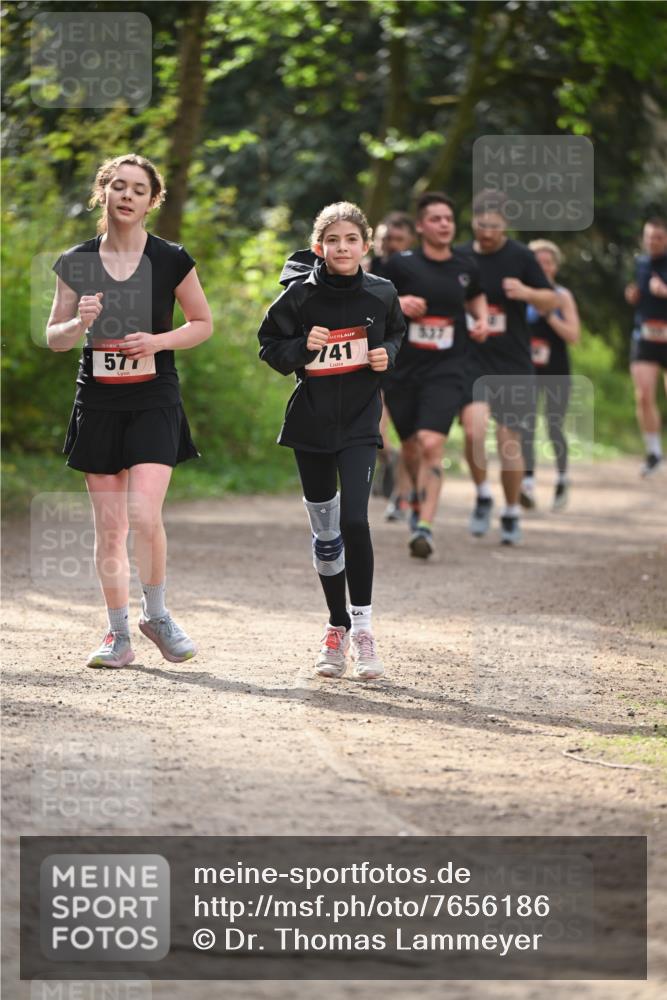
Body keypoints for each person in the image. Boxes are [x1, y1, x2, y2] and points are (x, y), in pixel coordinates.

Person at [46, 153, 213, 668]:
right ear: (103, 192)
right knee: (111, 526)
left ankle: (156, 614)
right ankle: (118, 635)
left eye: (138, 189)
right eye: (118, 186)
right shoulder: (77, 261)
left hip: (153, 395)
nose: (126, 196)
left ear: (151, 200)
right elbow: (54, 337)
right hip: (97, 399)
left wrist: (158, 341)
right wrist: (79, 325)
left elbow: (201, 323)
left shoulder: (170, 259)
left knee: (143, 511)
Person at [258, 202, 405, 680]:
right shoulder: (299, 297)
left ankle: (363, 629)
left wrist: (387, 354)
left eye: (352, 240)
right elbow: (270, 348)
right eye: (333, 241)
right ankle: (335, 626)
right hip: (312, 424)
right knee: (326, 535)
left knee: (355, 521)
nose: (343, 248)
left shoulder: (381, 293)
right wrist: (304, 347)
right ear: (320, 247)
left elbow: (398, 334)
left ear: (366, 246)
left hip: (362, 423)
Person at [381, 192, 488, 558]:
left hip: (448, 368)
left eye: (449, 218)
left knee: (431, 444)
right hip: (403, 369)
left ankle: (424, 527)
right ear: (422, 226)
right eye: (437, 219)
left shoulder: (465, 264)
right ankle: (411, 497)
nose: (445, 224)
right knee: (410, 446)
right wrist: (399, 303)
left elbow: (475, 295)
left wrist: (482, 318)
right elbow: (370, 298)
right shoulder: (400, 265)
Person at [458, 193, 558, 545]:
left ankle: (512, 512)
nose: (487, 232)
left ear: (506, 225)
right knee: (473, 431)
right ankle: (484, 494)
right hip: (471, 358)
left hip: (513, 362)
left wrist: (527, 292)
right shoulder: (461, 256)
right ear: (473, 221)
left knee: (508, 443)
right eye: (482, 224)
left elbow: (551, 300)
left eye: (495, 226)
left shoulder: (521, 256)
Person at [520, 240, 581, 511]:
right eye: (538, 262)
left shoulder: (561, 296)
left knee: (554, 425)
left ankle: (561, 478)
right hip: (526, 368)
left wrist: (550, 316)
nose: (543, 268)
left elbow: (574, 336)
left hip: (556, 368)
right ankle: (528, 483)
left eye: (548, 262)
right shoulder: (521, 294)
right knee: (526, 424)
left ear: (556, 267)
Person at [365, 212, 417, 500]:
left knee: (413, 436)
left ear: (410, 241)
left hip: (409, 362)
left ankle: (405, 492)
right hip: (371, 361)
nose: (390, 245)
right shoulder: (363, 270)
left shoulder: (418, 273)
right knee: (376, 431)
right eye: (385, 239)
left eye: (398, 240)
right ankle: (391, 461)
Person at [625, 216, 667, 476]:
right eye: (649, 236)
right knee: (642, 395)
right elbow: (639, 297)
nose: (653, 241)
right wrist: (633, 296)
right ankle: (653, 452)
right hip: (645, 335)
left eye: (659, 237)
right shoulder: (640, 264)